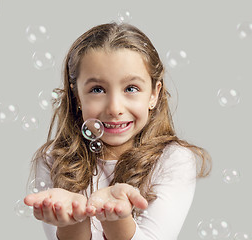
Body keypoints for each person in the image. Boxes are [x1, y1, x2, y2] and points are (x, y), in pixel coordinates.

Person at [24, 21, 212, 240]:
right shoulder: (53, 160)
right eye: (97, 89)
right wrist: (72, 222)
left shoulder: (173, 159)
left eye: (131, 88)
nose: (114, 108)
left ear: (154, 94)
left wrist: (117, 220)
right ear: (77, 96)